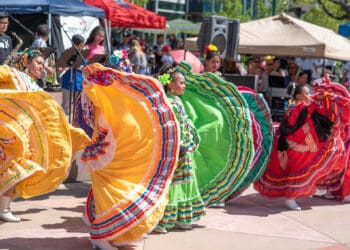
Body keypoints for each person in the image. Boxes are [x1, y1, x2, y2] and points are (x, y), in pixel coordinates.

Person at [78, 62, 180, 249]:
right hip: (106, 151)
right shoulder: (98, 91)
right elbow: (91, 117)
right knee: (108, 192)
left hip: (116, 151)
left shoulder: (120, 96)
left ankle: (108, 236)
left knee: (116, 192)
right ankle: (100, 238)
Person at [0, 64, 89, 222]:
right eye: (39, 63)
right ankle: (4, 208)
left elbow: (50, 111)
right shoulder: (10, 73)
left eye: (43, 64)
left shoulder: (34, 84)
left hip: (22, 131)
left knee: (18, 165)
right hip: (8, 128)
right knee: (16, 163)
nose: (42, 67)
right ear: (28, 61)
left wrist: (74, 133)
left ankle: (4, 207)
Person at [255, 83, 349, 210]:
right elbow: (295, 123)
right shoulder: (295, 108)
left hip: (304, 147)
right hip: (295, 148)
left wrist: (327, 97)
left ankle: (311, 187)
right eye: (307, 93)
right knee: (297, 170)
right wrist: (315, 103)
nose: (310, 95)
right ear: (299, 96)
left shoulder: (306, 106)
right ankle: (290, 198)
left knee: (335, 150)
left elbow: (328, 116)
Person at [154, 64, 205, 233]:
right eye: (181, 83)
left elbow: (184, 124)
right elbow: (167, 129)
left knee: (185, 182)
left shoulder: (177, 101)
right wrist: (177, 145)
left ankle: (181, 218)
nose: (184, 86)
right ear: (170, 84)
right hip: (174, 149)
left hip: (184, 148)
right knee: (172, 183)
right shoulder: (166, 103)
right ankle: (162, 221)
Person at [60, 34, 86, 115]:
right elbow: (60, 68)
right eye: (82, 44)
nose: (83, 46)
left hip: (79, 82)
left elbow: (85, 66)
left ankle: (75, 124)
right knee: (66, 106)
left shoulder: (82, 54)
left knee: (78, 106)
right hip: (68, 82)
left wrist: (80, 67)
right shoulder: (67, 53)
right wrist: (67, 66)